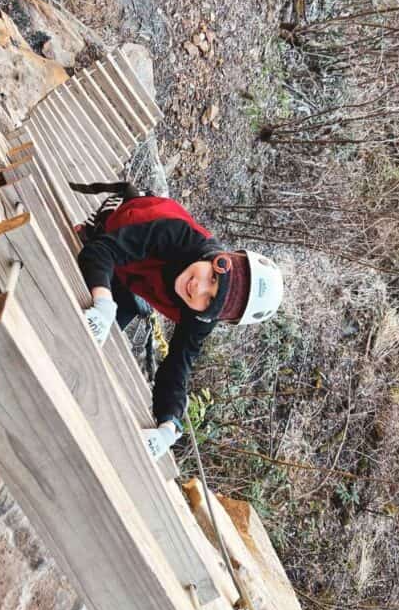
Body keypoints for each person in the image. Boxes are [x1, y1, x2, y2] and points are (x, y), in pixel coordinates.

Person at [72, 182, 284, 460]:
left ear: (214, 314)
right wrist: (102, 303)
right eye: (212, 278)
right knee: (86, 306)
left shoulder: (202, 316)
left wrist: (168, 427)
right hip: (114, 233)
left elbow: (177, 366)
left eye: (209, 299)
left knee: (92, 344)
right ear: (217, 259)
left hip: (129, 280)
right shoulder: (177, 234)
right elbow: (101, 251)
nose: (198, 288)